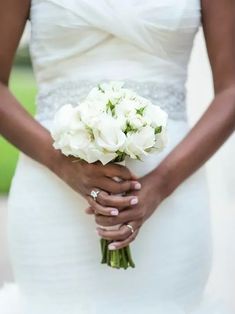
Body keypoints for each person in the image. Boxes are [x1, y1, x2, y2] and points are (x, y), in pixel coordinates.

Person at [0, 0, 235, 313]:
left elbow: (231, 90)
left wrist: (162, 183)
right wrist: (61, 163)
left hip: (174, 195)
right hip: (52, 194)